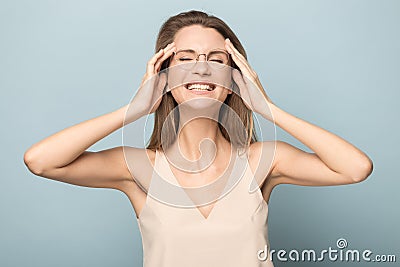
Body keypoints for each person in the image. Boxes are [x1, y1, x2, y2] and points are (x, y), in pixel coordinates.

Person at [23, 10, 373, 267]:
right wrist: (133, 110)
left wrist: (268, 108)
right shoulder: (139, 168)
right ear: (164, 75)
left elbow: (356, 168)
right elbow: (40, 160)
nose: (201, 68)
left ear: (235, 78)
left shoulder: (263, 160)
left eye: (216, 59)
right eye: (185, 59)